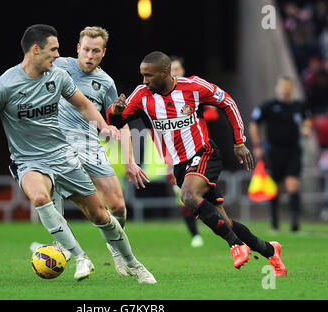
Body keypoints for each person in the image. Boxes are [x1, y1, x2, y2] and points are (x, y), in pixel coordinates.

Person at [0, 26, 149, 278]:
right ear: (78, 48)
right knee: (42, 194)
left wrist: (128, 157)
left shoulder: (103, 83)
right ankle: (70, 250)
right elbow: (14, 79)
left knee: (115, 207)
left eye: (95, 51)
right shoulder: (58, 66)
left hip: (88, 144)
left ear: (103, 53)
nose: (89, 55)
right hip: (57, 144)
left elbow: (113, 120)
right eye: (85, 49)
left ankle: (118, 252)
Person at [107, 51, 287, 276]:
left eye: (148, 75)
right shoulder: (141, 95)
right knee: (224, 221)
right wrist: (115, 111)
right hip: (181, 166)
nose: (144, 80)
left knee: (188, 197)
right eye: (142, 75)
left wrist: (239, 142)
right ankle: (270, 250)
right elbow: (116, 122)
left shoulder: (193, 87)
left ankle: (236, 245)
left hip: (204, 152)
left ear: (165, 72)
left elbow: (227, 102)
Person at [249, 76, 312, 232]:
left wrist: (306, 128)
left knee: (293, 185)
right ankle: (275, 221)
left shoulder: (299, 106)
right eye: (283, 86)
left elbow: (307, 120)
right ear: (277, 88)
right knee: (275, 187)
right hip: (274, 151)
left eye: (288, 86)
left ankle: (295, 221)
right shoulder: (268, 106)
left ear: (292, 88)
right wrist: (257, 145)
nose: (285, 89)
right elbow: (254, 123)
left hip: (292, 150)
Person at [168, 55, 203, 247]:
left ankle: (222, 227)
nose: (175, 73)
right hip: (175, 156)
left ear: (183, 71)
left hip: (197, 151)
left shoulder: (192, 93)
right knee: (183, 196)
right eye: (171, 70)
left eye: (177, 70)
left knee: (203, 192)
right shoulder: (159, 97)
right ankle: (195, 234)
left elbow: (209, 112)